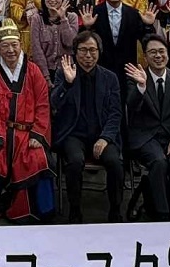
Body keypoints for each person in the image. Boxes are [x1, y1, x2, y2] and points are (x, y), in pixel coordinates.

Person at [0, 19, 54, 222]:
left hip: (26, 134)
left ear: (21, 45)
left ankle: (36, 211)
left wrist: (38, 135)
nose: (10, 50)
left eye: (14, 44)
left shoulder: (33, 72)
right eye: (5, 45)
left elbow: (43, 106)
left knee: (37, 158)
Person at [51, 31, 124, 223]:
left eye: (92, 50)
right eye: (83, 50)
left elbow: (116, 113)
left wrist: (105, 138)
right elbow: (54, 104)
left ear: (99, 52)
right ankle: (75, 210)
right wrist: (67, 84)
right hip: (73, 133)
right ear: (75, 52)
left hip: (102, 134)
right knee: (74, 162)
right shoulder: (63, 73)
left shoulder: (110, 78)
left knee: (115, 163)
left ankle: (115, 210)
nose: (88, 55)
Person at [125, 36, 170, 221]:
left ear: (168, 54)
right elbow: (131, 107)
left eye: (161, 51)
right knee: (159, 161)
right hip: (146, 137)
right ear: (145, 57)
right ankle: (161, 215)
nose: (158, 56)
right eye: (153, 52)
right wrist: (141, 86)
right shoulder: (136, 78)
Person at [88, 0, 155, 88]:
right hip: (101, 69)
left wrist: (148, 25)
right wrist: (87, 26)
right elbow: (86, 40)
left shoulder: (134, 14)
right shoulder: (95, 13)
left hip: (127, 70)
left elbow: (146, 40)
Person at [27, 0, 78, 78]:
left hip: (67, 70)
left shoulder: (72, 17)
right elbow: (37, 49)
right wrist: (45, 76)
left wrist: (63, 18)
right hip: (44, 70)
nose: (52, 0)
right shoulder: (37, 19)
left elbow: (69, 43)